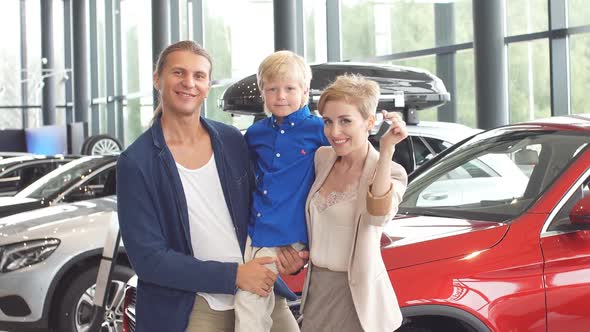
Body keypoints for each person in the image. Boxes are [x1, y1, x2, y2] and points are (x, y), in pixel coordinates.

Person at [116, 41, 298, 332]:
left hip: (258, 287)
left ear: (208, 85)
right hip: (192, 302)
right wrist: (234, 276)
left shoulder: (232, 140)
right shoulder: (136, 162)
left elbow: (265, 207)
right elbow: (149, 260)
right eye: (179, 72)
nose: (189, 83)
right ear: (156, 79)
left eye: (199, 76)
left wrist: (288, 253)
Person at [300, 74, 408, 332]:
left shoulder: (391, 171)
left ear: (369, 122)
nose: (334, 132)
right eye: (328, 121)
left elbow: (377, 216)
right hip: (317, 293)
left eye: (345, 121)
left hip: (359, 299)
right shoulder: (322, 159)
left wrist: (387, 150)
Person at [234, 50, 329, 332]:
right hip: (256, 229)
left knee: (249, 302)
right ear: (262, 91)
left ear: (305, 90)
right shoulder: (255, 134)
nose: (281, 96)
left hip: (289, 234)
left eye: (290, 88)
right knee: (259, 301)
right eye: (272, 89)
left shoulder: (320, 130)